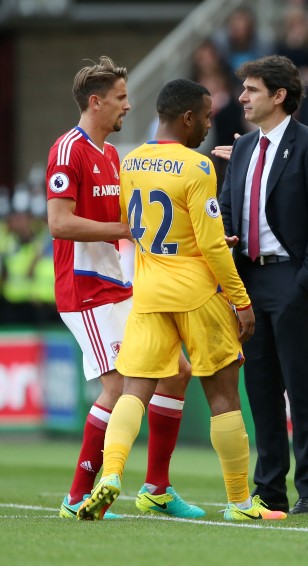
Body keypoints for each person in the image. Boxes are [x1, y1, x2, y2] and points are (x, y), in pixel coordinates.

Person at [76, 78, 285, 522]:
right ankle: (240, 503)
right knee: (224, 395)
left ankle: (112, 473)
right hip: (195, 292)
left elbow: (138, 225)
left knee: (134, 390)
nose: (209, 124)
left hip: (148, 292)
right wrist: (241, 300)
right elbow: (211, 248)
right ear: (188, 117)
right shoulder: (198, 166)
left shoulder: (130, 161)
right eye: (207, 117)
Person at [45, 57, 202, 520]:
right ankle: (77, 495)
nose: (128, 106)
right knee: (118, 387)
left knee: (176, 372)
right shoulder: (67, 150)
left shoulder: (111, 155)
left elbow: (133, 224)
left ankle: (156, 487)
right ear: (96, 102)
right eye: (119, 98)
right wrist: (125, 228)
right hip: (85, 290)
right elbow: (59, 223)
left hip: (119, 286)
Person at [218, 55, 308, 515]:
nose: (242, 97)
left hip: (292, 278)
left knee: (303, 388)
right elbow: (228, 209)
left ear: (279, 95)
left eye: (251, 89)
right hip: (249, 279)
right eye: (243, 89)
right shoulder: (245, 149)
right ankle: (269, 489)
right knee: (261, 389)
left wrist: (305, 283)